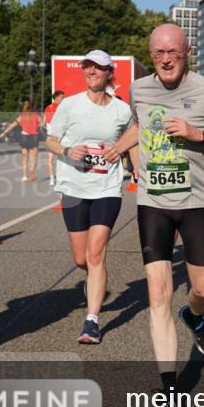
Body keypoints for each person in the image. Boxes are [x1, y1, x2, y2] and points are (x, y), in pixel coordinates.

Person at [102, 24, 204, 407]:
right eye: (158, 52)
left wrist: (200, 135)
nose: (165, 59)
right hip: (154, 203)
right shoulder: (139, 89)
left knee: (203, 288)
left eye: (172, 52)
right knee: (158, 294)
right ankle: (169, 391)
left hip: (197, 202)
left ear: (186, 52)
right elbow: (141, 125)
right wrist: (118, 147)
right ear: (151, 53)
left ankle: (194, 318)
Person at [44, 50, 131, 343]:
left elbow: (134, 139)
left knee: (96, 254)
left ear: (109, 73)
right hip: (73, 187)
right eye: (88, 67)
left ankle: (91, 321)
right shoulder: (69, 105)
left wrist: (129, 159)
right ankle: (91, 281)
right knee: (81, 258)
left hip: (107, 187)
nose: (92, 71)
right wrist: (68, 151)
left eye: (99, 68)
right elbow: (51, 141)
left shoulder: (121, 110)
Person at [1, 99, 43, 182]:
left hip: (24, 137)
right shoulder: (36, 116)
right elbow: (43, 124)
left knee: (25, 157)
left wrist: (4, 132)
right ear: (33, 107)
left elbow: (13, 125)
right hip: (34, 137)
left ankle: (24, 177)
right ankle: (31, 169)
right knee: (34, 157)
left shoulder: (21, 116)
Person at [44, 90, 65, 185]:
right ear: (56, 98)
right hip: (56, 135)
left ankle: (53, 178)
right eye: (62, 97)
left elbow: (44, 122)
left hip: (55, 135)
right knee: (54, 158)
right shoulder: (61, 107)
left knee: (56, 158)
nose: (63, 99)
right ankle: (53, 178)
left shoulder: (49, 107)